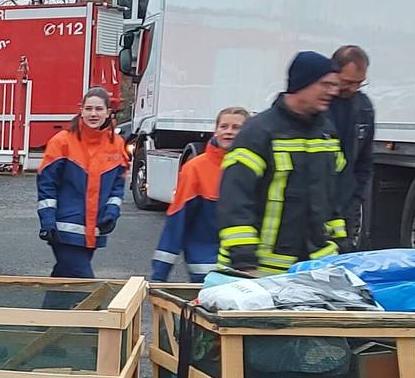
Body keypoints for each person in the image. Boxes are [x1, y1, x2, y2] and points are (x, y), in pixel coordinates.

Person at [217, 52, 347, 274]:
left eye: (335, 85)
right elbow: (235, 202)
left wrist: (342, 247)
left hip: (316, 267)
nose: (333, 91)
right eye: (326, 85)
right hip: (258, 270)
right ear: (302, 84)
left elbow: (332, 198)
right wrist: (245, 262)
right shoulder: (258, 132)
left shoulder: (327, 132)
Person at [36, 87, 129, 277]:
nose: (93, 114)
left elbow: (117, 186)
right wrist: (47, 220)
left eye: (98, 109)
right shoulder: (62, 141)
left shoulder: (117, 144)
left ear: (108, 112)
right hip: (63, 228)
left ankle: (54, 297)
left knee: (66, 280)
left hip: (94, 228)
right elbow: (47, 185)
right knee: (84, 281)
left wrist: (112, 212)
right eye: (88, 109)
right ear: (81, 110)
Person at [150, 106, 248, 282]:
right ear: (215, 131)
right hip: (207, 270)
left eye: (236, 127)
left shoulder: (257, 168)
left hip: (248, 269)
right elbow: (176, 222)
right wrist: (159, 275)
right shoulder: (195, 169)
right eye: (224, 126)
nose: (229, 132)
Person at [327, 44, 376, 249]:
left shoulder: (364, 108)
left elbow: (364, 160)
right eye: (348, 82)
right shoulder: (319, 104)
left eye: (359, 83)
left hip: (345, 207)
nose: (353, 88)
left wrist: (356, 198)